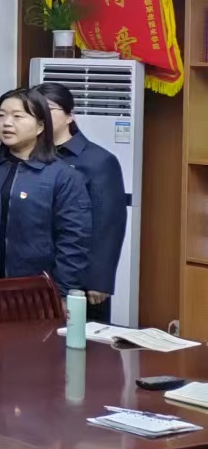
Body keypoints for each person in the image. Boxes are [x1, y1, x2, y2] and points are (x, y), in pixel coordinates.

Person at [33, 81, 128, 320]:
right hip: (36, 271)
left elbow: (109, 223)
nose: (41, 115)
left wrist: (100, 280)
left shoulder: (98, 160)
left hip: (82, 278)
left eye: (48, 109)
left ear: (69, 116)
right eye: (34, 110)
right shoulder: (30, 156)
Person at [0, 88, 92, 293]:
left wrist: (63, 291)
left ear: (40, 126)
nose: (7, 123)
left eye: (17, 116)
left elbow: (74, 240)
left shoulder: (62, 176)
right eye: (1, 115)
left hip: (34, 290)